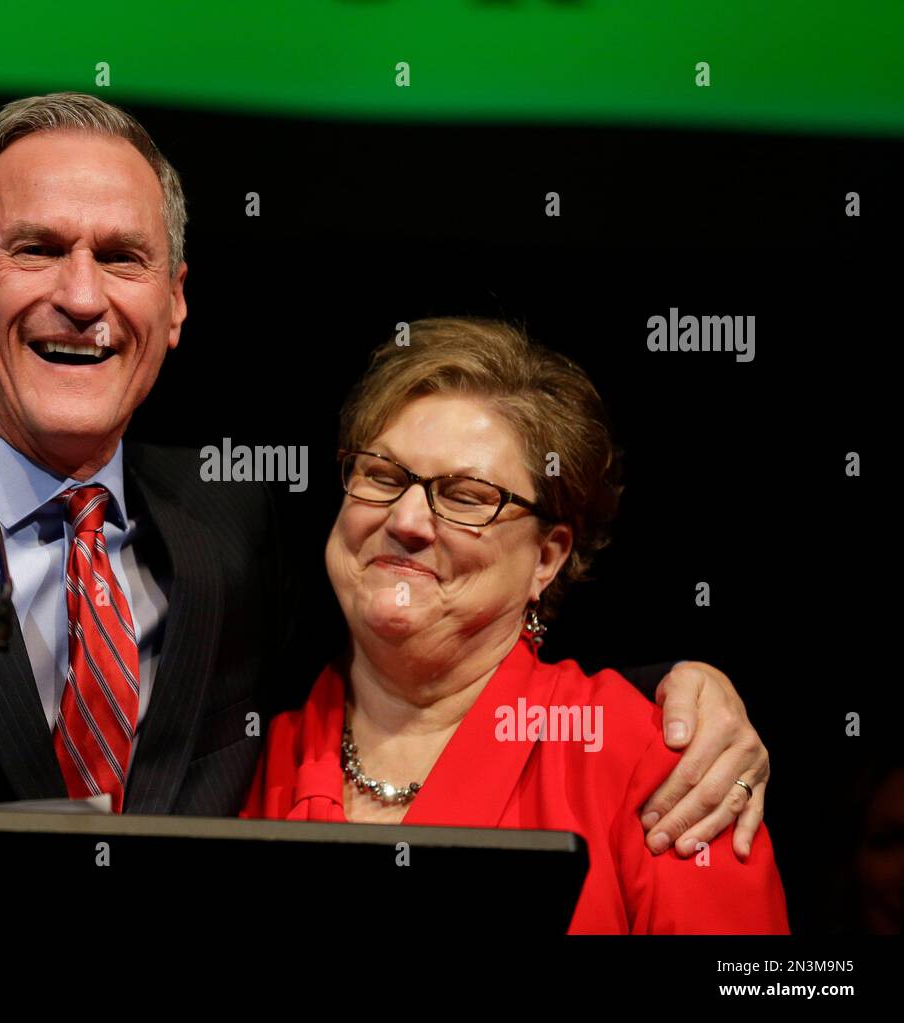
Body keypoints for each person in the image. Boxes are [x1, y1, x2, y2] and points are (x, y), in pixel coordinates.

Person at [0, 96, 764, 850]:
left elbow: (443, 614)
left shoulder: (246, 531)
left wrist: (682, 686)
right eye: (37, 249)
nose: (80, 294)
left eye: (122, 258)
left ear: (174, 306)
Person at [241, 317, 788, 932]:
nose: (408, 520)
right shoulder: (237, 755)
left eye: (467, 496)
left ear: (547, 558)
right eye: (383, 476)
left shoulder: (653, 761)